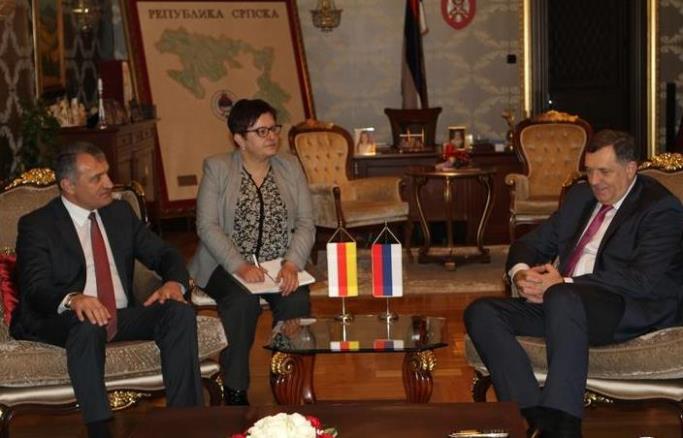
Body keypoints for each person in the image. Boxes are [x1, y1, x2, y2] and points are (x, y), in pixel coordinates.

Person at [464, 130, 683, 438]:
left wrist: (563, 283)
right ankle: (530, 416)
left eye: (604, 171)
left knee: (563, 298)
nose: (594, 181)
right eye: (589, 171)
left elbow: (641, 280)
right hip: (562, 303)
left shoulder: (659, 208)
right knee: (481, 312)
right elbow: (530, 243)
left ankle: (563, 426)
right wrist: (522, 274)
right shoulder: (580, 197)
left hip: (624, 308)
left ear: (630, 169)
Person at [10, 142, 204, 438]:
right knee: (88, 325)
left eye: (108, 174)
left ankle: (184, 422)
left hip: (119, 314)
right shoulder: (37, 225)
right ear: (68, 186)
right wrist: (74, 299)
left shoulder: (119, 213)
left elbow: (165, 254)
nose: (109, 184)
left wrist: (173, 283)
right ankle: (100, 429)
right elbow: (35, 288)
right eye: (96, 178)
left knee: (178, 313)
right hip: (61, 319)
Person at [189, 98, 315, 405]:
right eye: (261, 131)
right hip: (226, 265)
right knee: (241, 302)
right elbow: (206, 226)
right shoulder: (218, 168)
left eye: (274, 128)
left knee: (296, 299)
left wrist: (292, 264)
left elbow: (305, 222)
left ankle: (286, 380)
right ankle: (235, 387)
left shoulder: (289, 166)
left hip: (279, 264)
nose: (272, 136)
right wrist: (240, 266)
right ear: (239, 139)